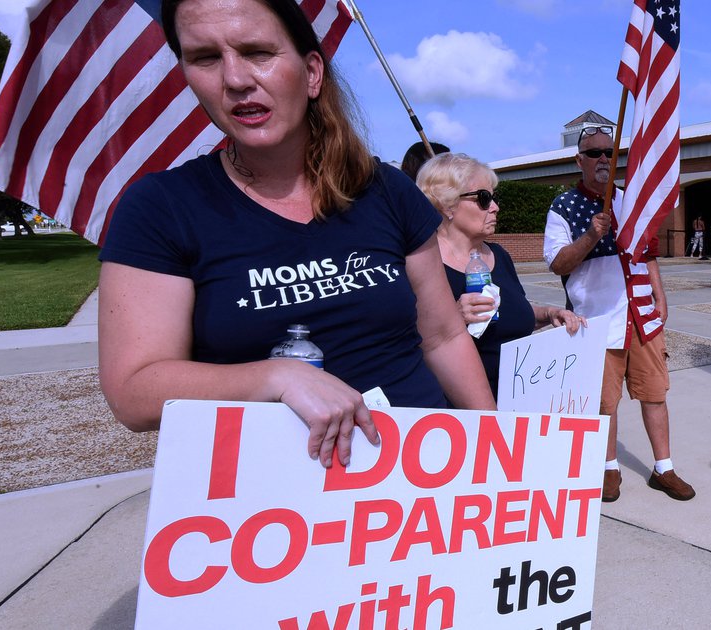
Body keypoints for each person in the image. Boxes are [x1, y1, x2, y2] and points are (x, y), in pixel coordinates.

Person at [97, 0, 494, 470]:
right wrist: (276, 377)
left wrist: (495, 451)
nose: (235, 79)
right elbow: (134, 392)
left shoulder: (387, 190)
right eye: (205, 57)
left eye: (258, 52)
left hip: (418, 480)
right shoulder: (161, 207)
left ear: (310, 73)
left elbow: (443, 337)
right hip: (272, 507)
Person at [543, 125, 695, 503]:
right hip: (596, 322)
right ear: (578, 160)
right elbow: (559, 264)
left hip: (641, 317)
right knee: (603, 403)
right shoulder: (564, 206)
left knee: (654, 394)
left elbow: (648, 253)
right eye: (594, 153)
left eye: (611, 153)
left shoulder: (632, 201)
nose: (604, 160)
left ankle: (664, 468)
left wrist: (660, 298)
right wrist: (591, 236)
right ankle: (608, 469)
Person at [416, 152, 582, 399]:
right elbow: (405, 342)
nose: (495, 207)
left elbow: (510, 313)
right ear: (446, 204)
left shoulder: (499, 256)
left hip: (520, 400)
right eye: (483, 198)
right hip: (462, 411)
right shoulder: (421, 263)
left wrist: (548, 313)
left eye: (493, 198)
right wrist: (452, 318)